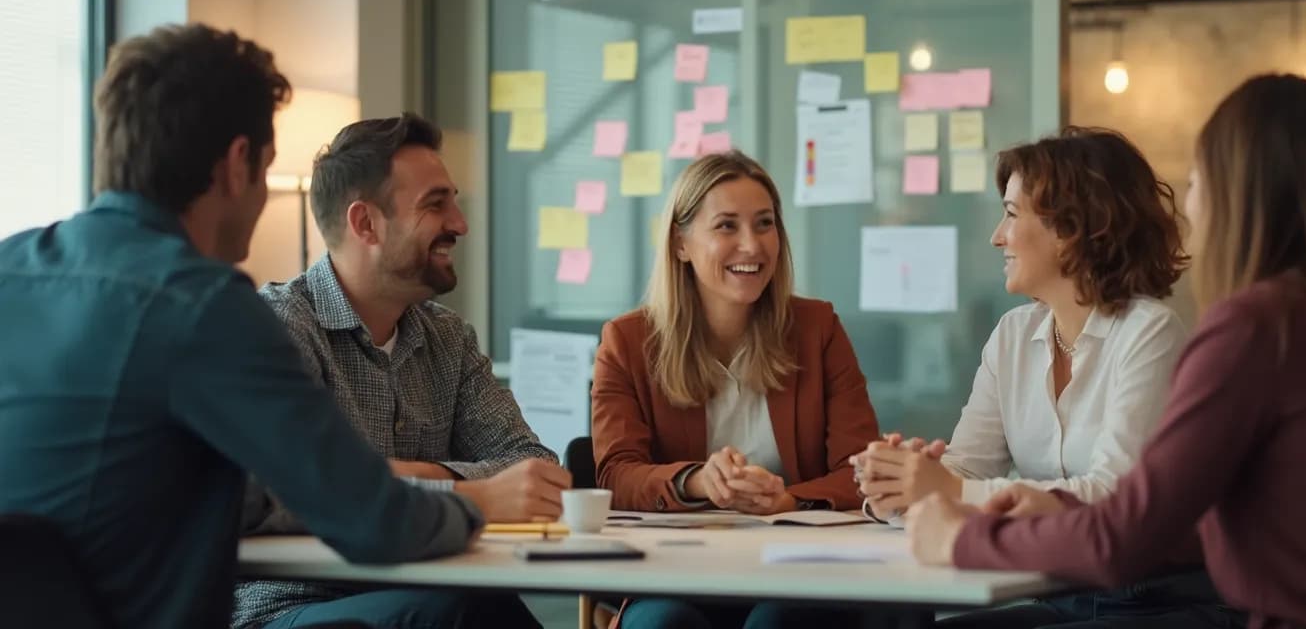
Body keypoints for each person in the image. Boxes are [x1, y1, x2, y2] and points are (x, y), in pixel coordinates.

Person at [0, 24, 507, 629]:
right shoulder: (205, 306)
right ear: (238, 164)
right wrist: (473, 507)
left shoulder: (11, 269)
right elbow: (374, 521)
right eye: (267, 169)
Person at [907, 74, 1306, 629]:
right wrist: (1060, 507)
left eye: (1197, 181)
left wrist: (963, 536)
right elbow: (1206, 519)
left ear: (1239, 195)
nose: (1190, 204)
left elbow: (1120, 539)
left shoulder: (1259, 329)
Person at [858, 127, 1226, 627]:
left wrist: (946, 491)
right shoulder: (1013, 335)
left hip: (1154, 600)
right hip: (1060, 592)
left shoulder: (1150, 332)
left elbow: (1114, 498)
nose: (997, 236)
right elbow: (966, 470)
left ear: (1073, 228)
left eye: (1011, 215)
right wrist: (899, 488)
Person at [233, 114, 566, 628]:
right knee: (454, 618)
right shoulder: (278, 327)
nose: (460, 223)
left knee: (480, 612)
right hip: (290, 606)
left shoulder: (449, 339)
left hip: (428, 589)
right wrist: (469, 492)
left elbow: (533, 470)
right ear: (365, 223)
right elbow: (278, 489)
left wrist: (401, 477)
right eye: (436, 204)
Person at [591, 150, 879, 628]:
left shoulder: (817, 328)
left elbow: (863, 470)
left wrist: (789, 500)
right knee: (661, 625)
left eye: (764, 224)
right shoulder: (627, 342)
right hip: (678, 573)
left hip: (801, 572)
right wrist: (699, 481)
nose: (752, 245)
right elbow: (616, 476)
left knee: (778, 622)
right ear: (681, 243)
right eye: (726, 226)